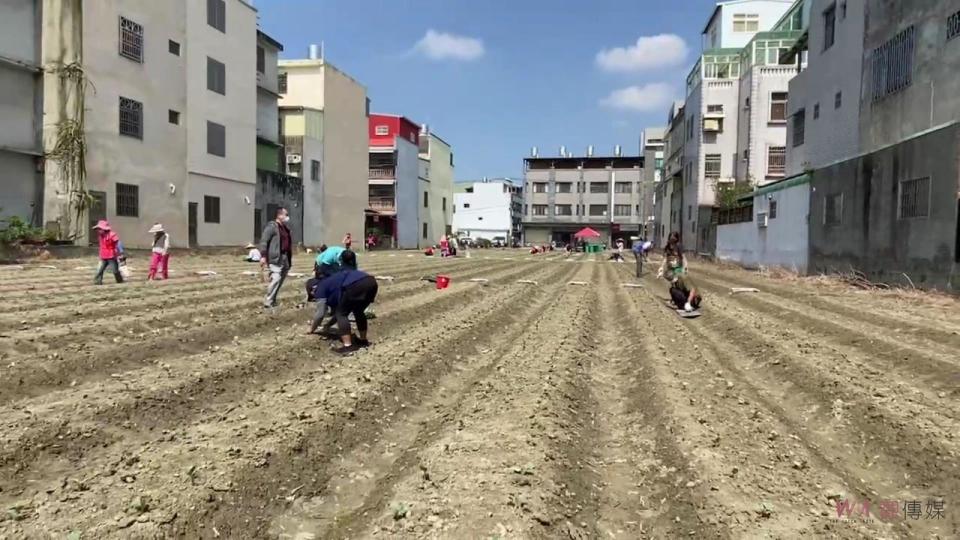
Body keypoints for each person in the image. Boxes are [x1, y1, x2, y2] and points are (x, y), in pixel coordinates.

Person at [309, 251, 378, 355]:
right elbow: (337, 311)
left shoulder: (320, 288)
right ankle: (363, 341)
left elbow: (320, 313)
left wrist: (312, 329)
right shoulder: (332, 281)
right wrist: (328, 325)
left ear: (312, 289)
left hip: (355, 284)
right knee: (358, 311)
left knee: (342, 314)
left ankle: (348, 346)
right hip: (370, 281)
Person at [657, 231, 702, 312]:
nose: (672, 241)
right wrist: (661, 267)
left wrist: (685, 267)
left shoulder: (679, 247)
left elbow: (683, 258)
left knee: (681, 283)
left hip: (679, 269)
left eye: (674, 239)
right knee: (674, 285)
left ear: (676, 239)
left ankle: (686, 302)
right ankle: (679, 300)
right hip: (671, 269)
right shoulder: (667, 248)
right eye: (671, 239)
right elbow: (665, 259)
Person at [258, 206, 293, 309]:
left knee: (280, 280)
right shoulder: (272, 227)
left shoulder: (285, 228)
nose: (287, 217)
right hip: (275, 257)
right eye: (286, 215)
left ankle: (273, 300)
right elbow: (264, 241)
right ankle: (268, 301)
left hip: (285, 257)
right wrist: (263, 256)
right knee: (276, 278)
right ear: (279, 215)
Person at [93, 220, 124, 285]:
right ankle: (97, 281)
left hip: (111, 256)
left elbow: (118, 243)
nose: (98, 231)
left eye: (100, 229)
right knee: (99, 270)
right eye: (98, 229)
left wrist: (121, 253)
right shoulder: (100, 236)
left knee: (115, 270)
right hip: (103, 256)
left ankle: (119, 280)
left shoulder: (112, 235)